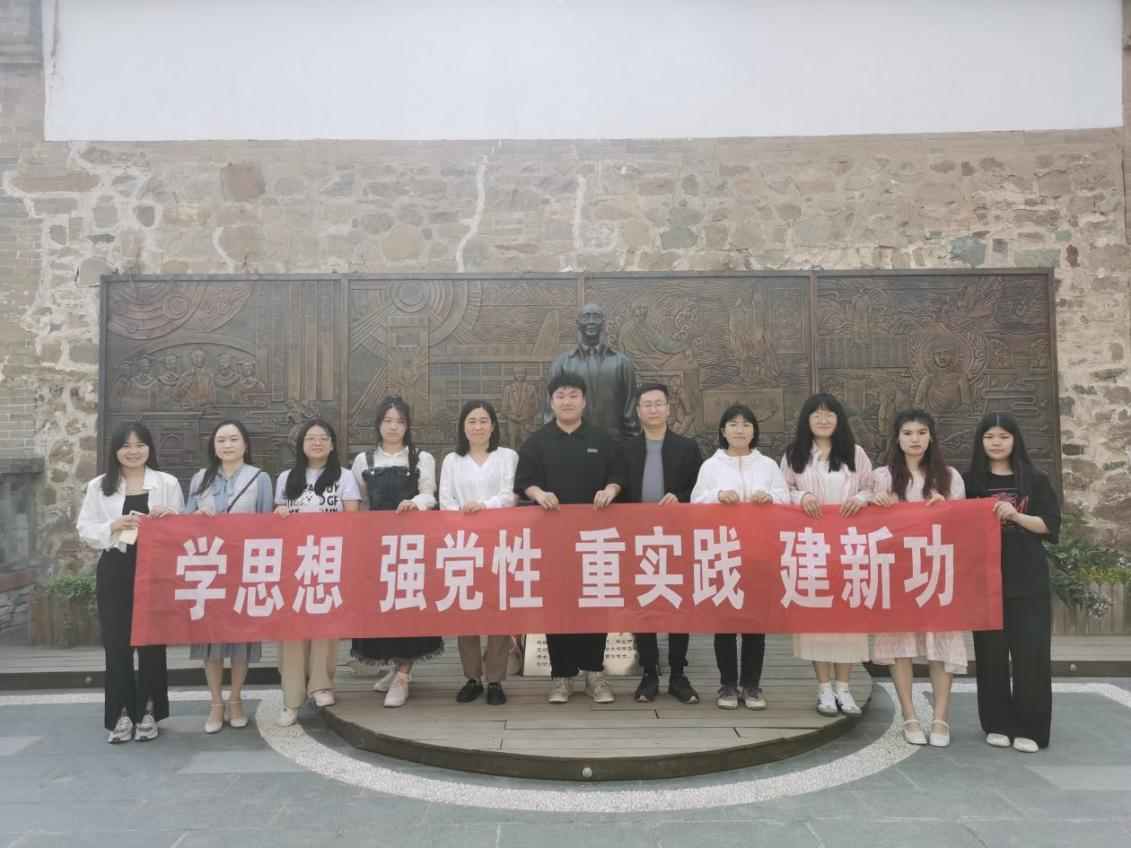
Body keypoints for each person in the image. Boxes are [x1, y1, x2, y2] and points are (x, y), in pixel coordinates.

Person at [515, 372, 627, 703]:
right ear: (552, 402)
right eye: (560, 396)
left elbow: (618, 475)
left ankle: (594, 674)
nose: (567, 401)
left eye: (573, 395)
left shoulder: (601, 439)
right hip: (552, 541)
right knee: (558, 605)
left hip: (596, 541)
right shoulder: (538, 441)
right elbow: (524, 481)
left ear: (584, 401)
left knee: (595, 604)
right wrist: (538, 493)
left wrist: (611, 490)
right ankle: (562, 676)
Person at [77, 421, 184, 744]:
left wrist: (171, 516)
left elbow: (183, 529)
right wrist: (112, 525)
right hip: (116, 568)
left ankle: (148, 712)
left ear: (150, 448)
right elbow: (85, 529)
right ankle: (121, 714)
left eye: (140, 445)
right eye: (126, 446)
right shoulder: (99, 486)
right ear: (115, 450)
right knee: (117, 644)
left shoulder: (166, 483)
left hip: (156, 571)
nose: (133, 451)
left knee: (152, 644)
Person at [870, 409, 966, 747]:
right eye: (908, 433)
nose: (915, 439)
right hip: (897, 571)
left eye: (922, 432)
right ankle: (909, 715)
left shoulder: (949, 477)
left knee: (940, 644)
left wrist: (947, 508)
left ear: (931, 437)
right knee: (901, 646)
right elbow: (869, 524)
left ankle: (940, 718)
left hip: (937, 570)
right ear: (897, 438)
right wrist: (874, 502)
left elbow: (963, 523)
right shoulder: (882, 477)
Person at [965, 412, 1060, 753]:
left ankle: (1031, 729)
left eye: (1003, 436)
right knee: (990, 656)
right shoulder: (969, 483)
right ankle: (997, 724)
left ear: (1015, 440)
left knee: (1031, 656)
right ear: (981, 442)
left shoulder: (1035, 481)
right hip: (984, 583)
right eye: (989, 436)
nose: (996, 442)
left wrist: (1016, 514)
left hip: (1029, 581)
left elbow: (1050, 526)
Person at [781, 392, 874, 717]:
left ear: (839, 419)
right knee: (816, 619)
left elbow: (870, 487)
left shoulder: (855, 453)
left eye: (829, 414)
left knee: (848, 618)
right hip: (812, 549)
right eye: (816, 414)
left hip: (849, 548)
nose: (823, 419)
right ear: (806, 420)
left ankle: (844, 689)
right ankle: (823, 689)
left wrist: (860, 499)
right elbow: (783, 491)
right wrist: (802, 496)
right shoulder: (794, 455)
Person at [692, 403, 789, 710]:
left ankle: (752, 686)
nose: (739, 429)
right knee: (725, 624)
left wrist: (769, 497)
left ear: (754, 431)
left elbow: (785, 499)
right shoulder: (711, 466)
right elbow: (696, 502)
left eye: (746, 424)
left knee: (754, 625)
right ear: (723, 431)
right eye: (733, 424)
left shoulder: (768, 465)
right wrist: (717, 496)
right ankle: (727, 686)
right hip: (724, 553)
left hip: (759, 554)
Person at [349, 396, 442, 708]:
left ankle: (403, 675)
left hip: (411, 545)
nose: (393, 427)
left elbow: (429, 495)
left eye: (399, 421)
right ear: (378, 425)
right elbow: (362, 503)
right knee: (383, 609)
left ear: (407, 425)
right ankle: (394, 667)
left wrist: (414, 503)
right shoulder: (364, 461)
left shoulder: (420, 458)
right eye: (387, 421)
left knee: (409, 608)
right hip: (377, 546)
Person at [185, 419, 274, 734]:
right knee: (210, 639)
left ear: (245, 444)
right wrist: (196, 516)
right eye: (221, 440)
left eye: (234, 439)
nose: (227, 445)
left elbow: (267, 526)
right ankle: (215, 702)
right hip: (208, 568)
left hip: (243, 569)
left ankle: (235, 699)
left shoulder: (260, 478)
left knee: (240, 638)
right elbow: (184, 522)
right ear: (213, 446)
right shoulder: (200, 479)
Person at [273, 418, 361, 726]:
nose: (317, 443)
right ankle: (291, 698)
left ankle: (322, 685)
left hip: (328, 560)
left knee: (325, 623)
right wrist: (280, 514)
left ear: (332, 445)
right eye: (311, 438)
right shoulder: (286, 478)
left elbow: (352, 520)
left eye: (324, 438)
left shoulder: (345, 477)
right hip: (293, 563)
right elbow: (277, 518)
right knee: (292, 629)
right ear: (301, 444)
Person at [623, 382, 703, 704]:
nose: (653, 409)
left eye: (659, 403)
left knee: (677, 605)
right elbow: (617, 486)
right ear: (638, 411)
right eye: (647, 404)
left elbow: (699, 489)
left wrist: (680, 498)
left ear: (669, 409)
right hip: (638, 539)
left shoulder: (687, 448)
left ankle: (679, 674)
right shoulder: (625, 450)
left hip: (676, 539)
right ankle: (649, 672)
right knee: (643, 605)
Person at [439, 400, 519, 706]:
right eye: (472, 421)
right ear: (463, 427)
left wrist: (483, 506)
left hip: (499, 542)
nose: (478, 427)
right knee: (467, 610)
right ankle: (472, 677)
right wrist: (463, 515)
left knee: (498, 610)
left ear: (493, 425)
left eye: (484, 421)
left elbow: (510, 496)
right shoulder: (452, 460)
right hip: (463, 544)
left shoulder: (507, 456)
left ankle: (496, 679)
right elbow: (445, 501)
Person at [545, 303, 639, 440]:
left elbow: (630, 411)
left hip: (614, 445)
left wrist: (632, 446)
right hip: (572, 443)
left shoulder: (623, 363)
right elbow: (551, 412)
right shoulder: (562, 364)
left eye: (596, 317)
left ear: (603, 323)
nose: (591, 321)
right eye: (586, 317)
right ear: (578, 323)